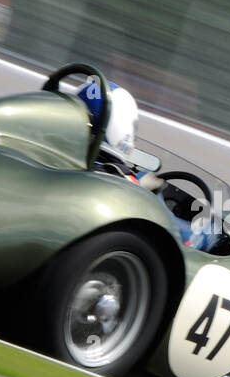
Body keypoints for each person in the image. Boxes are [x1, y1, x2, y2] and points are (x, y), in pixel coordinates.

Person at [77, 78, 218, 251]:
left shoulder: (67, 158)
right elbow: (186, 239)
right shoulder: (125, 182)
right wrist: (210, 232)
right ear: (120, 125)